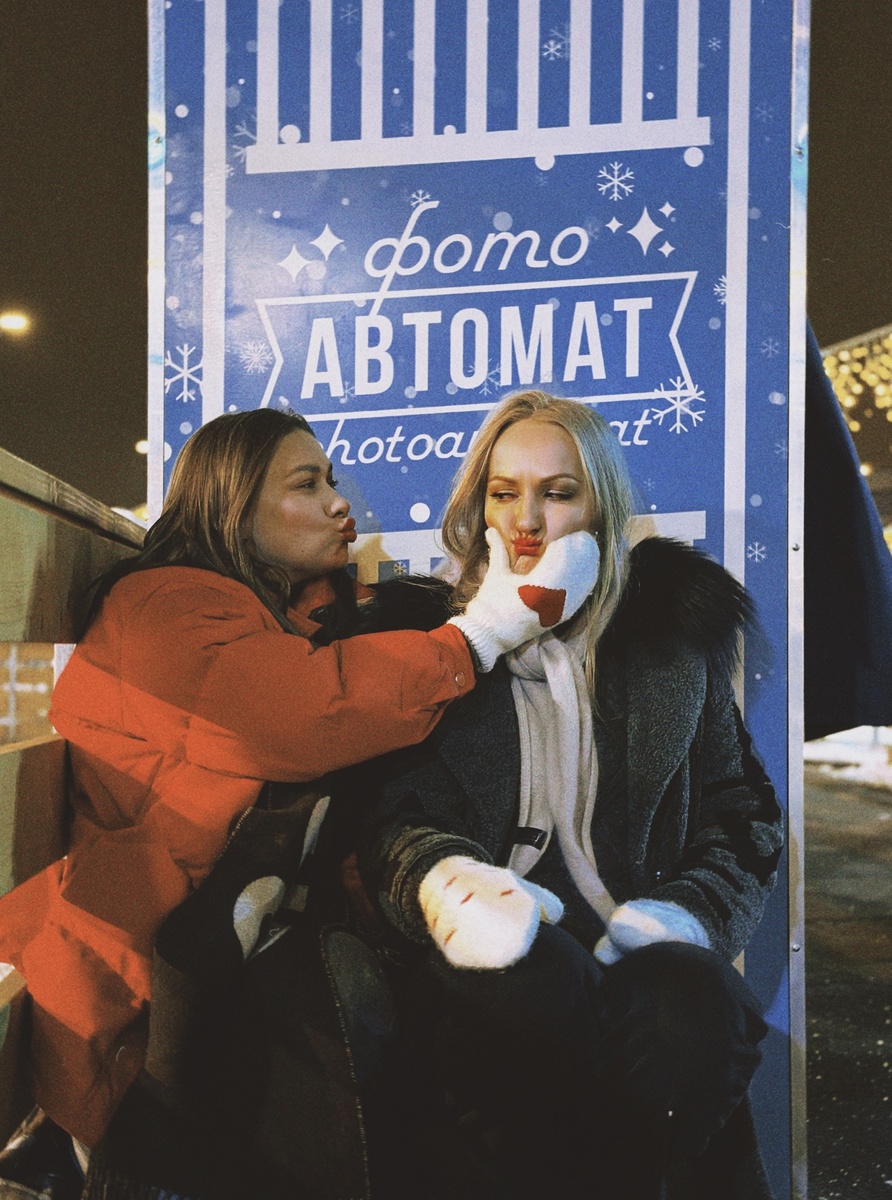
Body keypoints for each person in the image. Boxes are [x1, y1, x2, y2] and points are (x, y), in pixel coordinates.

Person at [0, 407, 600, 1197]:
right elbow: (297, 715)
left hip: (202, 956)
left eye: (333, 480)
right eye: (307, 484)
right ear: (232, 504)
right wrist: (478, 633)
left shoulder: (248, 610)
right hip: (145, 989)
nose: (338, 501)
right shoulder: (166, 607)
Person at [351, 391, 785, 1200]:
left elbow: (742, 812)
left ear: (599, 507)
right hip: (493, 958)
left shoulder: (671, 634)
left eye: (557, 493)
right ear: (477, 504)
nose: (527, 521)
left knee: (692, 1010)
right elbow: (391, 823)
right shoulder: (425, 643)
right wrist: (455, 888)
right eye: (504, 492)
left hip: (638, 937)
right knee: (531, 991)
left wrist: (685, 913)